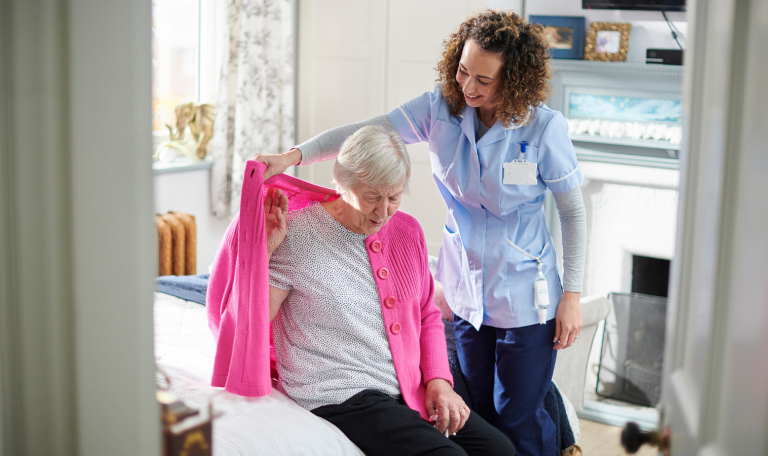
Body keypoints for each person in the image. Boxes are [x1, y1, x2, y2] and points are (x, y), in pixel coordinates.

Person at [256, 10, 586, 456]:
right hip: (465, 286)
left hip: (527, 291)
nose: (468, 88)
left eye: (484, 81)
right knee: (479, 407)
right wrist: (294, 155)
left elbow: (573, 213)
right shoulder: (440, 108)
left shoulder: (543, 129)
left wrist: (573, 296)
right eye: (463, 71)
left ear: (513, 81)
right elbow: (365, 132)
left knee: (518, 413)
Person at [264, 126, 516, 456]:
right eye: (372, 197)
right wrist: (264, 253)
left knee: (500, 450)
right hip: (338, 392)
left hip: (402, 387)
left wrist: (439, 381)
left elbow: (427, 314)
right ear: (342, 182)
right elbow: (252, 323)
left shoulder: (407, 231)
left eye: (393, 197)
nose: (382, 212)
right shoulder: (296, 234)